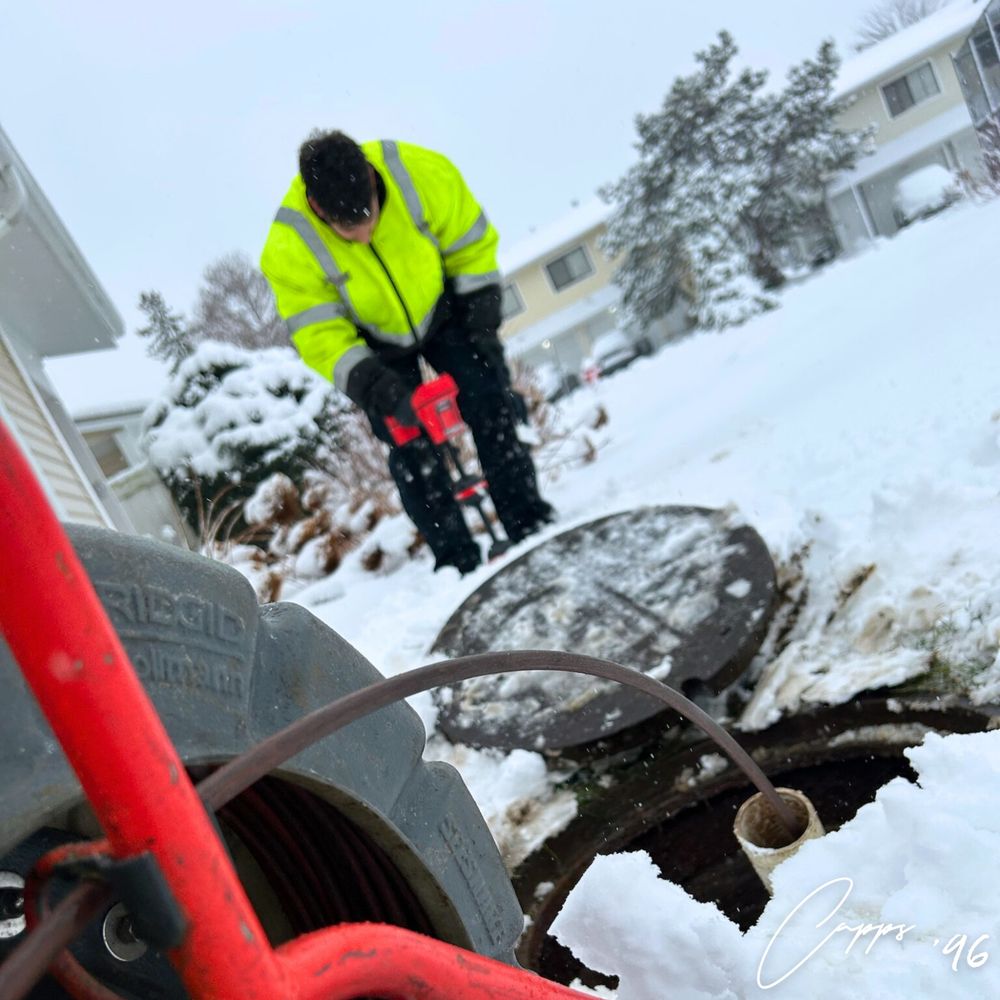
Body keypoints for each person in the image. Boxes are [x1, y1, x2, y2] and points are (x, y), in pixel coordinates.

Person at [260, 130, 553, 574]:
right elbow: (319, 334)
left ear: (373, 181)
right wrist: (372, 384)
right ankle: (455, 559)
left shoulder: (420, 172)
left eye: (370, 219)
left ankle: (527, 517)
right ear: (318, 209)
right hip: (374, 344)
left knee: (490, 400)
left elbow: (471, 245)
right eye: (349, 230)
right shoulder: (288, 246)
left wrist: (481, 325)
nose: (364, 235)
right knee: (409, 445)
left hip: (446, 307)